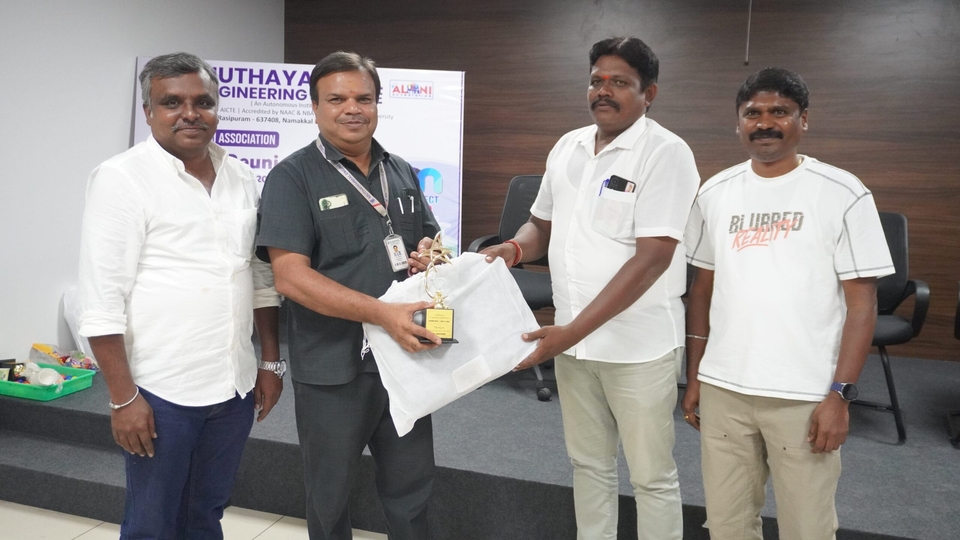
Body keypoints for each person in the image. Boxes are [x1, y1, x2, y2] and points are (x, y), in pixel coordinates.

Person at [483, 37, 700, 540]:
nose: (603, 91)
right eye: (596, 80)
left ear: (649, 93)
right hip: (574, 346)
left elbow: (652, 259)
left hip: (638, 348)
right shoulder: (569, 146)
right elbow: (541, 226)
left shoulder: (666, 153)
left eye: (619, 82)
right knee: (589, 465)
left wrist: (570, 331)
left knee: (651, 477)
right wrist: (512, 249)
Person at [681, 67, 894, 540]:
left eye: (779, 111)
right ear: (738, 123)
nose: (764, 123)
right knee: (728, 525)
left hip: (805, 395)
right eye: (752, 113)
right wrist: (695, 376)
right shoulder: (714, 193)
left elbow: (862, 306)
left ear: (804, 120)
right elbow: (701, 292)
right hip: (725, 388)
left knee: (807, 529)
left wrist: (840, 395)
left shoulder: (843, 193)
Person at [77, 52, 283, 539]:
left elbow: (259, 277)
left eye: (202, 102)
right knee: (152, 523)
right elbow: (101, 302)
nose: (190, 113)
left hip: (232, 385)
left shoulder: (241, 176)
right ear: (148, 111)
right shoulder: (121, 179)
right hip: (160, 389)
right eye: (172, 102)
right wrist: (123, 398)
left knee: (206, 512)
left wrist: (270, 362)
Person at [256, 51, 442, 540]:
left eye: (364, 98)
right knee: (330, 495)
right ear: (315, 107)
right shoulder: (292, 178)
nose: (352, 109)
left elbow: (430, 238)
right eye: (337, 99)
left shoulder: (400, 171)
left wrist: (429, 254)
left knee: (412, 488)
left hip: (405, 360)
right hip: (334, 366)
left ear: (378, 104)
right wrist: (382, 313)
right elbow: (290, 278)